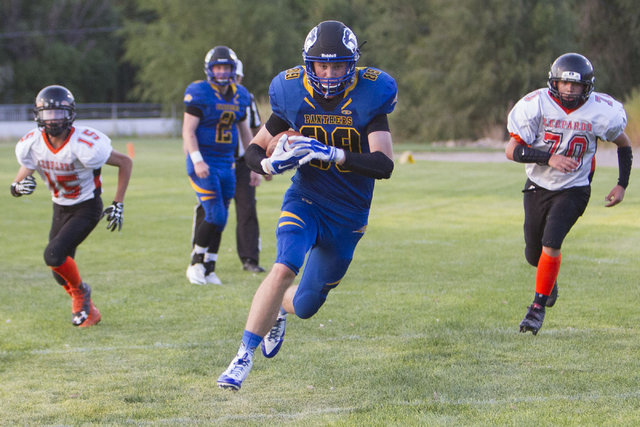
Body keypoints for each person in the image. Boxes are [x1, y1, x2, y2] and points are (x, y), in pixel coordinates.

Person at [217, 20, 397, 390]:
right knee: (284, 265)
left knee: (308, 303)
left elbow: (384, 164)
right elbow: (253, 149)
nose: (329, 74)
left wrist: (332, 152)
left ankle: (281, 310)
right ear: (309, 64)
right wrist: (267, 164)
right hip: (306, 199)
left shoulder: (371, 95)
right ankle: (242, 356)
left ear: (353, 65)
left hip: (348, 215)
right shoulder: (292, 92)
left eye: (338, 66)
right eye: (322, 65)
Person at [505, 53, 632, 335]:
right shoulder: (537, 104)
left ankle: (536, 309)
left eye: (576, 85)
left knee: (552, 240)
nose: (570, 90)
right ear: (554, 82)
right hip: (539, 185)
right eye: (565, 83)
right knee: (533, 253)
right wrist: (548, 157)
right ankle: (548, 281)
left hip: (575, 187)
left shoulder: (601, 111)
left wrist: (622, 183)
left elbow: (624, 143)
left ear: (587, 86)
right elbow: (511, 151)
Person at [11, 84, 132, 328]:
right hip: (60, 207)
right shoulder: (32, 144)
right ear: (38, 115)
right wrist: (15, 187)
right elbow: (25, 171)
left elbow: (125, 162)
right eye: (48, 114)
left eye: (59, 114)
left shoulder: (84, 143)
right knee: (58, 273)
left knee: (53, 255)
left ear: (70, 114)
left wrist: (118, 202)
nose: (53, 120)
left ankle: (80, 294)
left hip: (87, 207)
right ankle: (91, 311)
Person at [183, 46, 259, 285]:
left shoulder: (241, 94)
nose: (222, 72)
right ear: (209, 69)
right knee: (214, 214)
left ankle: (209, 267)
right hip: (204, 162)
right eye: (218, 67)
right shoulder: (199, 92)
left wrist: (255, 165)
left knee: (222, 216)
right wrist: (197, 159)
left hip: (227, 163)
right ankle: (195, 262)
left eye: (226, 67)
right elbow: (188, 131)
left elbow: (246, 133)